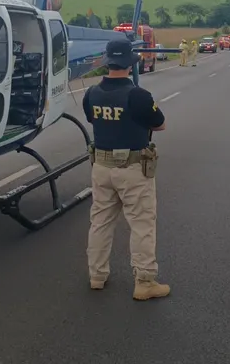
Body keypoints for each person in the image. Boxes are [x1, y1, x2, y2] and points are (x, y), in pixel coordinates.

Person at [83, 38, 171, 301]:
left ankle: (96, 275)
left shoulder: (91, 93)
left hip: (101, 166)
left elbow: (94, 119)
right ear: (130, 64)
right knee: (142, 224)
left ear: (108, 62)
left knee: (100, 222)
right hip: (133, 168)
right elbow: (160, 124)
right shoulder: (138, 95)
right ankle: (144, 281)